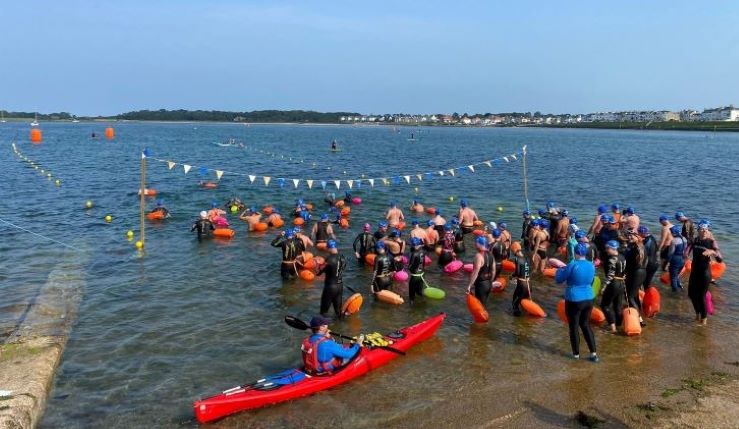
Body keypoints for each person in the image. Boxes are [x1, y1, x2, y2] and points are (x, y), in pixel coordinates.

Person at [555, 243, 598, 362]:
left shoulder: (572, 264)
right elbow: (591, 280)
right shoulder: (591, 265)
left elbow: (559, 280)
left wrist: (559, 270)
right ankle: (593, 354)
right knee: (585, 325)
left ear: (575, 252)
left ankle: (576, 356)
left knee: (573, 327)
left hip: (574, 298)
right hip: (589, 297)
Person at [688, 222, 723, 325]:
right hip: (694, 271)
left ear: (708, 231)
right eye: (701, 229)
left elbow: (720, 259)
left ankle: (704, 319)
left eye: (705, 229)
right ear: (698, 230)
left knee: (701, 296)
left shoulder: (712, 242)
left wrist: (712, 252)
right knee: (691, 294)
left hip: (705, 272)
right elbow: (686, 251)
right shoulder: (695, 240)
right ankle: (697, 314)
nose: (703, 231)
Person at [315, 240, 347, 318]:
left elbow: (318, 273)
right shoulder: (343, 257)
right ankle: (341, 328)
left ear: (328, 248)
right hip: (340, 286)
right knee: (338, 312)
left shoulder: (329, 259)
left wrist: (317, 264)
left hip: (330, 287)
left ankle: (323, 328)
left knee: (323, 312)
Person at [600, 240, 626, 333]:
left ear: (613, 248)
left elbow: (610, 275)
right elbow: (624, 272)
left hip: (613, 283)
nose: (606, 250)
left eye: (608, 248)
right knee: (617, 307)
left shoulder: (611, 259)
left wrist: (603, 287)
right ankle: (619, 325)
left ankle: (613, 328)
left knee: (604, 306)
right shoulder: (622, 257)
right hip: (621, 282)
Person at [624, 230, 647, 327]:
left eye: (632, 236)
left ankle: (639, 320)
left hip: (636, 273)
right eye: (629, 235)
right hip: (641, 272)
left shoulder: (635, 248)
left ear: (638, 237)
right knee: (635, 295)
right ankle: (640, 317)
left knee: (630, 297)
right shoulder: (640, 246)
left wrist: (626, 273)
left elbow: (632, 264)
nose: (630, 237)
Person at [467, 236, 495, 306]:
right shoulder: (491, 254)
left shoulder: (478, 256)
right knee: (483, 305)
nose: (475, 244)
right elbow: (494, 270)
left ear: (480, 244)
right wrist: (490, 282)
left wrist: (469, 285)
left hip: (481, 285)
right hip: (488, 283)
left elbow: (475, 273)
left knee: (479, 306)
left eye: (476, 243)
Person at [509, 241, 531, 316]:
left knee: (514, 304)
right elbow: (527, 271)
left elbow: (517, 272)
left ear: (514, 250)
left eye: (512, 251)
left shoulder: (517, 259)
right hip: (528, 285)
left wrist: (512, 276)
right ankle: (523, 324)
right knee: (523, 305)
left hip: (522, 285)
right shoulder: (527, 258)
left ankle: (516, 325)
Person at [666, 225, 687, 291]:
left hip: (675, 259)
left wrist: (667, 262)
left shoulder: (674, 241)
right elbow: (685, 249)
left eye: (671, 232)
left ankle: (675, 291)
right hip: (683, 259)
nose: (671, 234)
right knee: (677, 275)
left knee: (673, 277)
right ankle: (680, 287)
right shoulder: (684, 239)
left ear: (674, 233)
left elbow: (671, 253)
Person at [407, 237, 426, 304]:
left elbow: (410, 265)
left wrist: (406, 268)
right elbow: (423, 263)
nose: (414, 246)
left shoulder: (414, 253)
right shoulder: (423, 252)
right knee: (419, 292)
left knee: (411, 294)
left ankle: (411, 308)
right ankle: (423, 304)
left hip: (414, 276)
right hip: (421, 275)